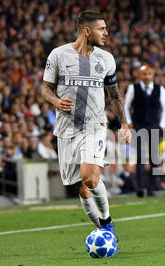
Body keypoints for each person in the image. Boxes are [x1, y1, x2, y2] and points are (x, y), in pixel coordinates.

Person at [41, 10, 132, 247]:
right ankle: (103, 231)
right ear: (86, 30)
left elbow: (114, 94)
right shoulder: (59, 55)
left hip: (94, 125)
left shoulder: (106, 59)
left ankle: (107, 222)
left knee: (90, 179)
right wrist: (55, 101)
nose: (106, 33)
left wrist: (124, 123)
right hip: (66, 129)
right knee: (80, 189)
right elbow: (45, 89)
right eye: (102, 29)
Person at [123, 64, 165, 197]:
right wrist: (129, 123)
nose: (146, 76)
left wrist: (162, 125)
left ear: (152, 75)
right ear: (139, 75)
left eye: (149, 74)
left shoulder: (160, 89)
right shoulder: (133, 88)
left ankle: (151, 187)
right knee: (140, 159)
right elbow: (126, 106)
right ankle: (141, 187)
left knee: (154, 159)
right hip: (138, 126)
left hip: (154, 126)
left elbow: (164, 109)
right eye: (144, 74)